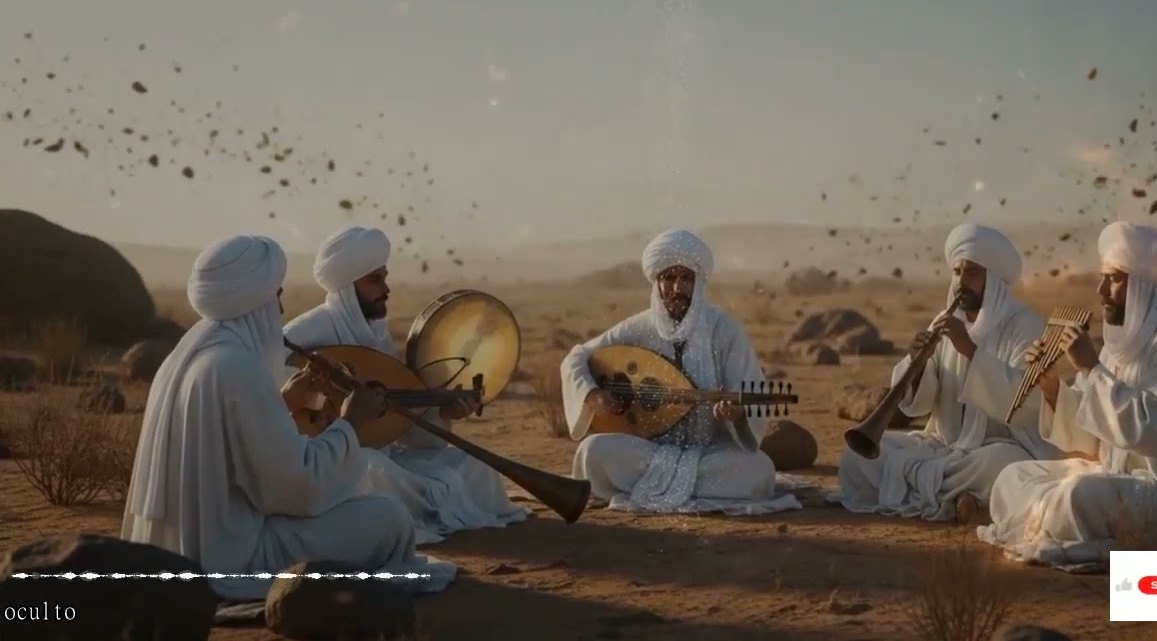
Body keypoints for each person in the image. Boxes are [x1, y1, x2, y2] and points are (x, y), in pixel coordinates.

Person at [120, 234, 456, 600]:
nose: (280, 311)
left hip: (187, 547)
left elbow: (236, 448)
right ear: (257, 301)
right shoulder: (237, 366)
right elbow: (295, 488)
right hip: (235, 553)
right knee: (389, 521)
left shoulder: (188, 357)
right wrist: (350, 424)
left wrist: (285, 401)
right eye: (276, 297)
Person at [977, 221, 1157, 569]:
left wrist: (1090, 368)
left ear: (1142, 285)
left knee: (1076, 498)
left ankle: (1058, 527)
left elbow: (1149, 433)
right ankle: (1053, 523)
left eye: (1113, 279)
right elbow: (1091, 437)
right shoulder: (1120, 343)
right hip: (1117, 474)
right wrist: (1052, 386)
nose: (1100, 290)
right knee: (1012, 478)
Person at [283, 225, 528, 544]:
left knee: (473, 467)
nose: (386, 288)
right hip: (328, 458)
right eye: (375, 280)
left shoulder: (377, 334)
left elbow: (401, 422)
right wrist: (331, 414)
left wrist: (443, 413)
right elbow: (276, 407)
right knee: (375, 472)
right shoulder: (305, 333)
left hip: (385, 451)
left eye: (384, 277)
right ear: (346, 286)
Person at [560, 228, 801, 515]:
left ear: (699, 282)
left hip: (710, 452)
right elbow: (576, 357)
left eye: (686, 278)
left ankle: (642, 487)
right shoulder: (638, 327)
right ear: (656, 282)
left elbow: (747, 394)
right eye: (668, 278)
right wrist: (592, 393)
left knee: (757, 469)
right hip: (646, 451)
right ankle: (681, 486)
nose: (677, 289)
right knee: (592, 451)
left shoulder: (723, 328)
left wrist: (736, 416)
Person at [831, 223, 1060, 523]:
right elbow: (920, 405)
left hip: (999, 446)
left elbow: (1025, 403)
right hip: (943, 445)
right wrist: (918, 363)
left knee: (1006, 467)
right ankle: (958, 498)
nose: (961, 282)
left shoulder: (1024, 325)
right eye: (957, 272)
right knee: (856, 460)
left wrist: (968, 349)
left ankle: (935, 491)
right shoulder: (946, 319)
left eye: (972, 273)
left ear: (992, 279)